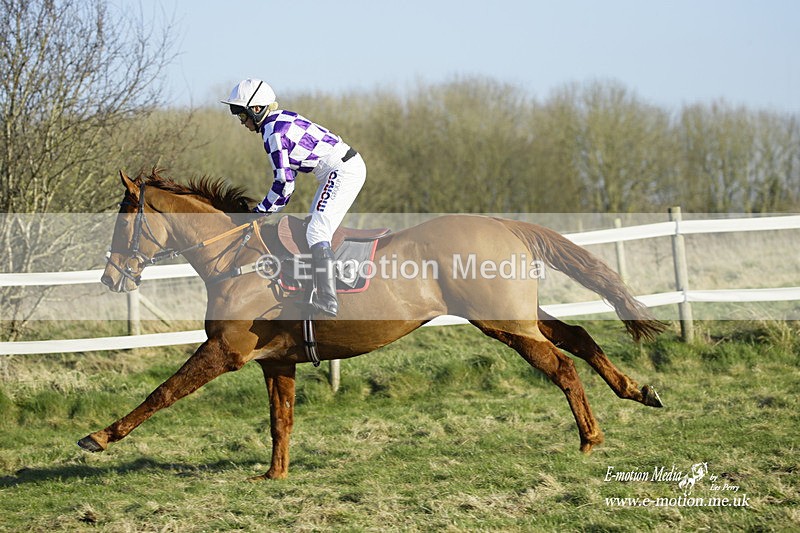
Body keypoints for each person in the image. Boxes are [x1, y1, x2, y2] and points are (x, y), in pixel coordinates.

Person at [222, 78, 366, 317]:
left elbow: (284, 185)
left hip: (342, 171)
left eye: (243, 115)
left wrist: (259, 212)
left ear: (256, 109)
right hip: (339, 169)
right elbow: (288, 179)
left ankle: (328, 300)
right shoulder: (278, 120)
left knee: (317, 232)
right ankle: (321, 284)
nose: (242, 122)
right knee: (313, 229)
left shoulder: (273, 133)